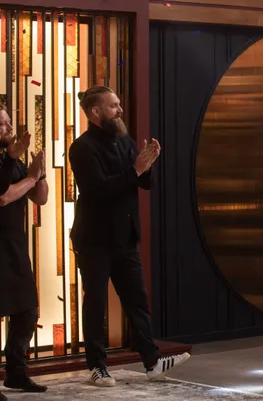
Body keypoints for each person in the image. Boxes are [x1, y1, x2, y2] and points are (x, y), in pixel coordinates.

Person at [69, 86, 190, 387]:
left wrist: (147, 166)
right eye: (113, 106)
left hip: (125, 236)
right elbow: (98, 189)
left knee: (137, 300)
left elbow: (143, 183)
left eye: (119, 104)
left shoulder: (124, 140)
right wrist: (136, 169)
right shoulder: (81, 148)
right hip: (94, 239)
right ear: (95, 112)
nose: (120, 110)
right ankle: (97, 365)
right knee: (95, 303)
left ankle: (152, 362)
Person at [0, 107, 49, 395]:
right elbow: (4, 196)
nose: (8, 127)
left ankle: (16, 372)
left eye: (8, 122)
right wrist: (29, 177)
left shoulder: (13, 159)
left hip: (14, 247)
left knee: (27, 310)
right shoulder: (7, 160)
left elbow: (40, 199)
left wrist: (39, 174)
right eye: (2, 124)